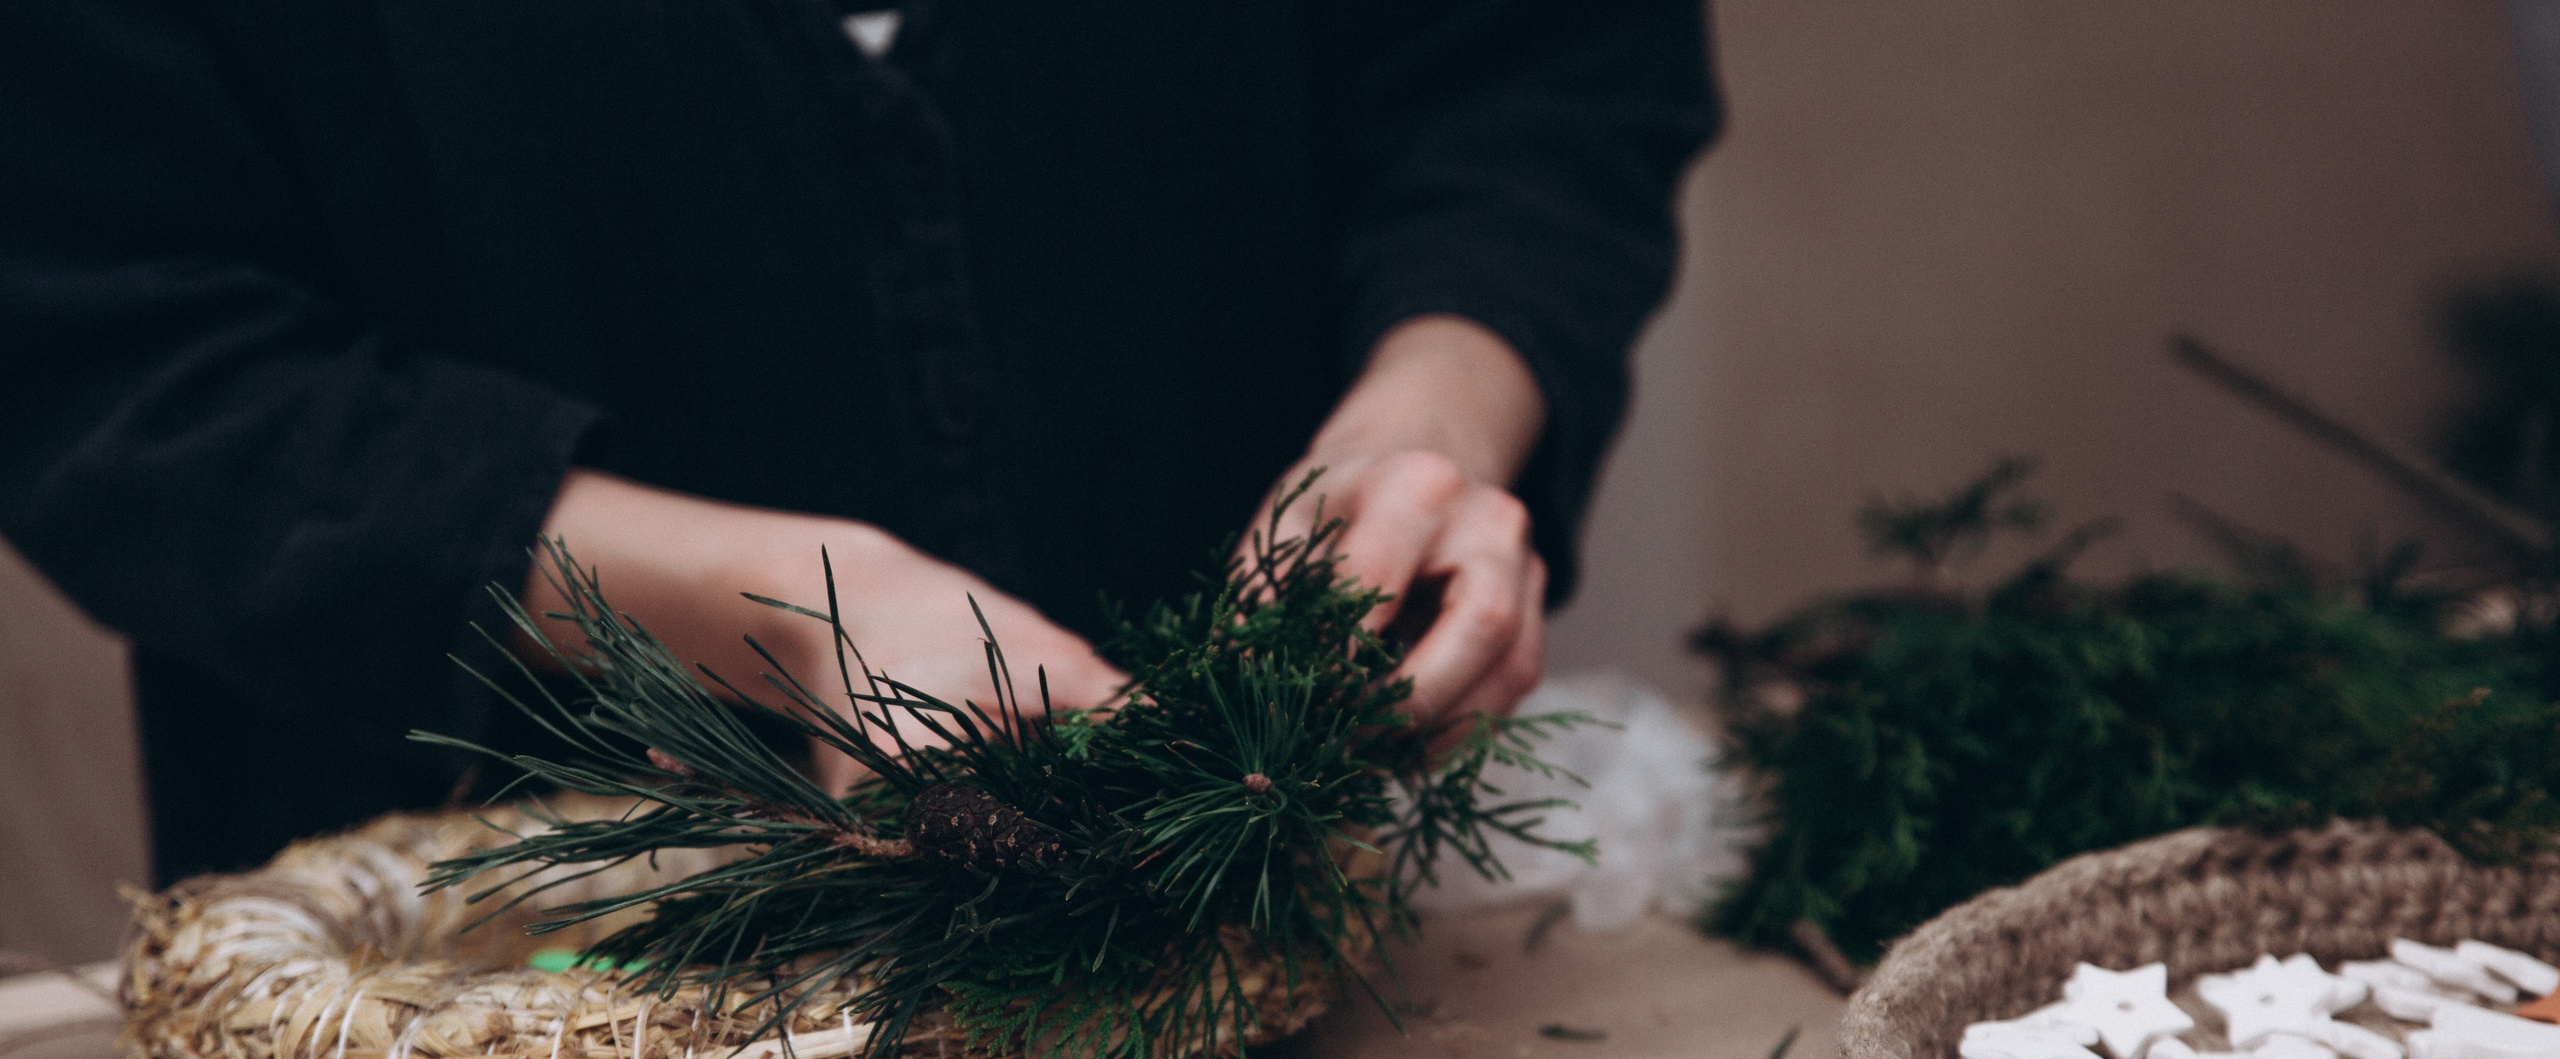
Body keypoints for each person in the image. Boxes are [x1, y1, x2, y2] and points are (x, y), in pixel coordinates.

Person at [0, 1, 1720, 881]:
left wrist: (1426, 424)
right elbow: (112, 354)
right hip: (495, 1022)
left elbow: (1537, 76)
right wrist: (781, 611)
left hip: (1298, 977)